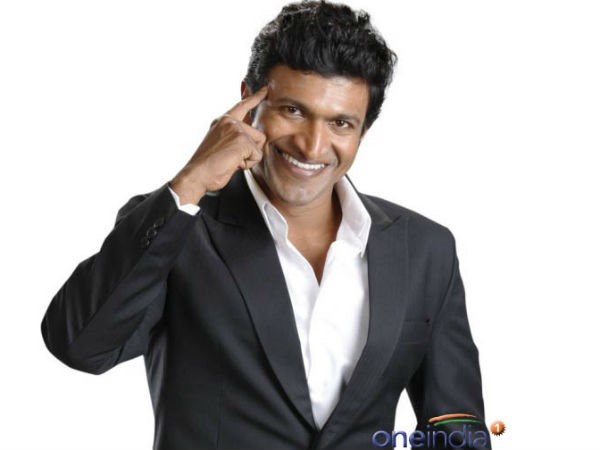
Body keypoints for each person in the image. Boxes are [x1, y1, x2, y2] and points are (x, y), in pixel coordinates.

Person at [41, 1, 491, 449]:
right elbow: (80, 345)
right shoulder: (180, 227)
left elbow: (456, 429)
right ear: (247, 101)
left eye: (340, 123)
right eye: (293, 111)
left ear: (363, 131)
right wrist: (192, 180)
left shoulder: (424, 249)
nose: (312, 146)